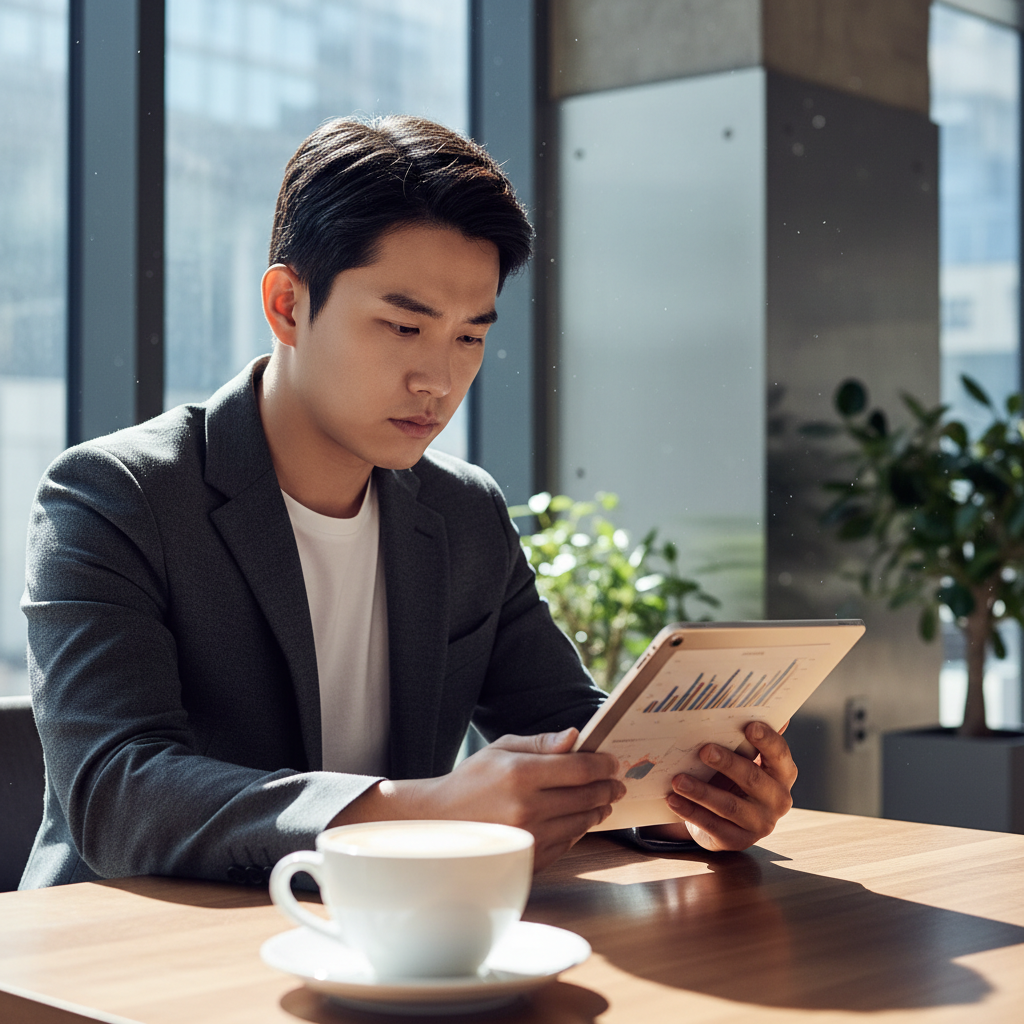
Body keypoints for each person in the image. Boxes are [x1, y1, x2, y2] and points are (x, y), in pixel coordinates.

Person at [20, 116, 796, 890]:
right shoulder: (114, 497)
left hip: (396, 946)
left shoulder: (462, 512)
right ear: (288, 304)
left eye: (469, 338)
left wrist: (685, 801)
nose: (439, 379)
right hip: (131, 959)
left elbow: (573, 733)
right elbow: (117, 793)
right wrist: (426, 812)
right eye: (403, 325)